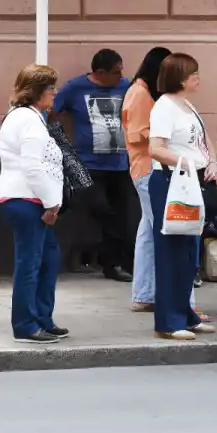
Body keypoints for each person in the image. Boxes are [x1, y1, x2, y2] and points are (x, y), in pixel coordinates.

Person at [0, 64, 69, 344]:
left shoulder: (28, 116)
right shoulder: (28, 119)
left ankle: (42, 319)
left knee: (47, 258)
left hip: (29, 198)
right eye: (50, 88)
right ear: (36, 91)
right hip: (27, 199)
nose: (55, 93)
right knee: (30, 263)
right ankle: (25, 325)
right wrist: (51, 204)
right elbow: (32, 166)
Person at [148, 53, 217, 341]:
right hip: (172, 181)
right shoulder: (164, 107)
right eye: (193, 74)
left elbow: (203, 139)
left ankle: (186, 314)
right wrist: (187, 163)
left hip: (192, 180)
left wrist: (212, 162)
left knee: (189, 252)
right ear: (179, 78)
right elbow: (156, 148)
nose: (198, 78)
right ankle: (168, 321)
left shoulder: (187, 104)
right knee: (171, 251)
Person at [53, 49, 134, 282]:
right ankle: (103, 257)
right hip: (87, 163)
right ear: (100, 72)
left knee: (121, 214)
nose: (121, 76)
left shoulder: (126, 87)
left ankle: (114, 263)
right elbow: (52, 113)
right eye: (116, 72)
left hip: (119, 163)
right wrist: (61, 145)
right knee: (101, 209)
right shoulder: (75, 88)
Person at [123, 46, 171, 310]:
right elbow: (136, 133)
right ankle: (156, 294)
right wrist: (166, 137)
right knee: (158, 231)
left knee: (148, 233)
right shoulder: (140, 94)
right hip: (147, 168)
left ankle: (144, 294)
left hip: (145, 167)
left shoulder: (139, 92)